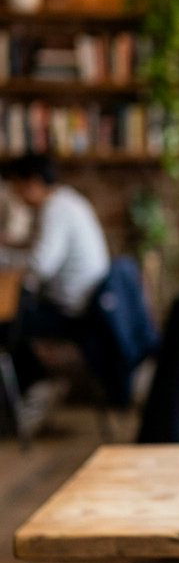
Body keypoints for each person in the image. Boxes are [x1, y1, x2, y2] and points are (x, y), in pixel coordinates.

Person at [0, 152, 110, 392]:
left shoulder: (56, 210)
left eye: (17, 186)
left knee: (8, 326)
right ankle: (27, 391)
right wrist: (9, 244)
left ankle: (24, 394)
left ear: (33, 182)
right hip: (84, 302)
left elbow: (41, 264)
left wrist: (4, 256)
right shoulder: (66, 201)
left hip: (73, 310)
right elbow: (38, 245)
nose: (16, 195)